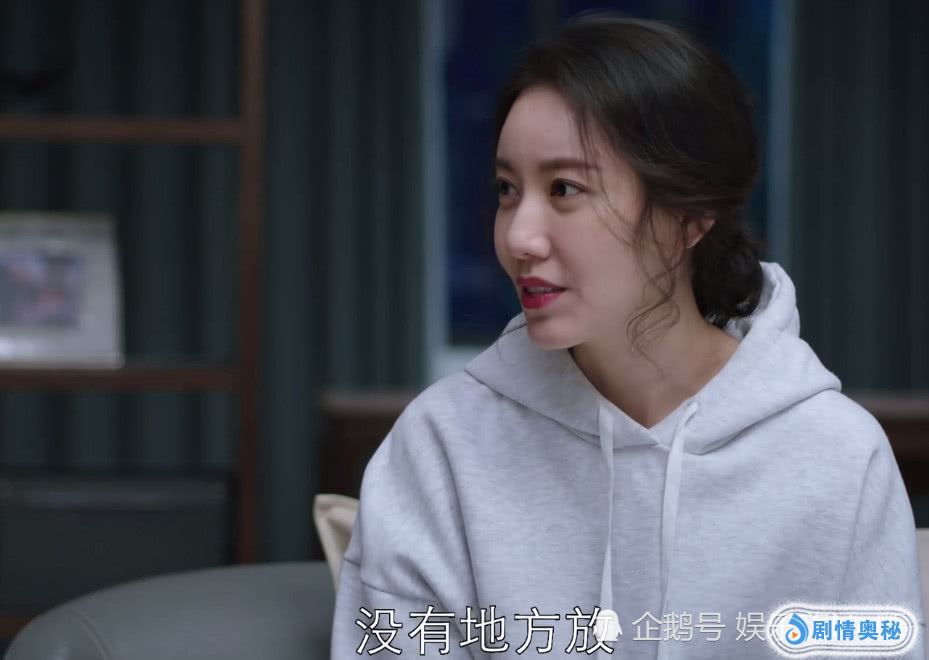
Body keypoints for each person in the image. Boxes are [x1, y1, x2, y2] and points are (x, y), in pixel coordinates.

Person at [330, 14, 926, 659]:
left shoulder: (837, 458)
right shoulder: (442, 446)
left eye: (565, 189)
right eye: (507, 190)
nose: (519, 237)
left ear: (690, 216)